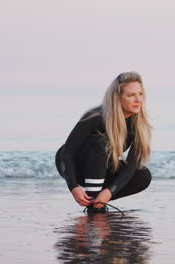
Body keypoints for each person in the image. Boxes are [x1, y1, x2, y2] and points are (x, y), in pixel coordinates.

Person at [55, 72, 152, 214]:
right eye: (131, 95)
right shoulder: (96, 117)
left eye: (140, 94)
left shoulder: (140, 125)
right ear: (117, 97)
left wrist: (109, 192)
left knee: (143, 176)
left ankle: (97, 203)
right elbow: (67, 153)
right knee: (102, 143)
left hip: (102, 167)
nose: (138, 100)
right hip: (74, 167)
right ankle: (93, 207)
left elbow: (131, 166)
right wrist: (73, 187)